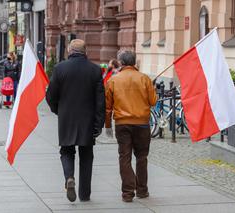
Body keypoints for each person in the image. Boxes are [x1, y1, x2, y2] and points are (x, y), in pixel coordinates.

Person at [46, 39, 105, 202]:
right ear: (85, 52)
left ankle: (69, 178)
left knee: (66, 151)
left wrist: (58, 111)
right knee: (86, 155)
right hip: (87, 119)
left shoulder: (60, 68)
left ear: (70, 51)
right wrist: (99, 124)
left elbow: (50, 96)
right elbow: (101, 100)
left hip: (67, 118)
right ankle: (84, 194)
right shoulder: (95, 70)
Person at [105, 50, 157, 202]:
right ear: (134, 62)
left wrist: (108, 125)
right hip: (142, 123)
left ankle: (127, 192)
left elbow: (108, 107)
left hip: (122, 123)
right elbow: (153, 101)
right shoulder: (144, 79)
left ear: (120, 63)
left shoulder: (113, 80)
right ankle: (142, 190)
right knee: (142, 157)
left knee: (124, 157)